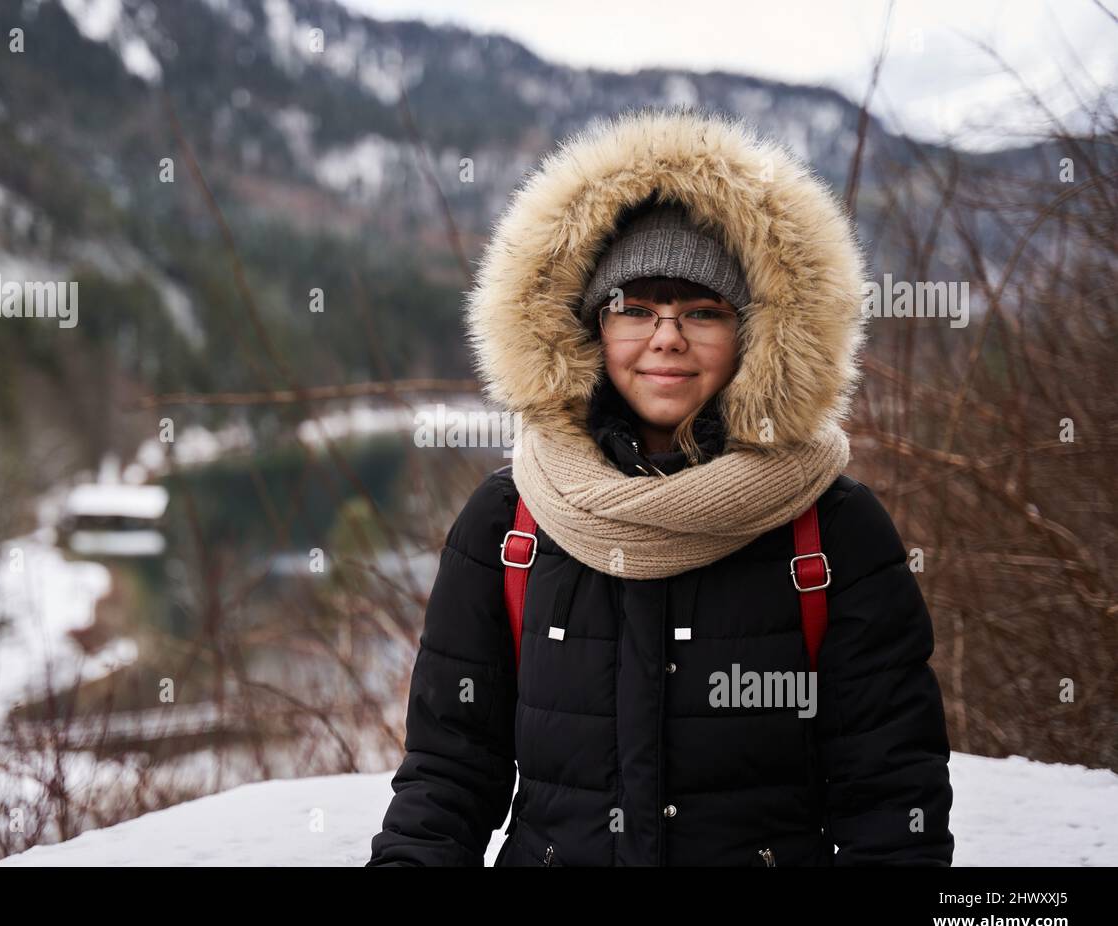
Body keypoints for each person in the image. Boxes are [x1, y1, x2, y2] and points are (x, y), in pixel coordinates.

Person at [366, 106, 955, 866]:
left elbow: (891, 797)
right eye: (634, 309)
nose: (666, 337)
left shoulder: (833, 530)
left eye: (702, 311)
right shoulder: (509, 524)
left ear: (754, 335)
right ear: (589, 329)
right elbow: (447, 776)